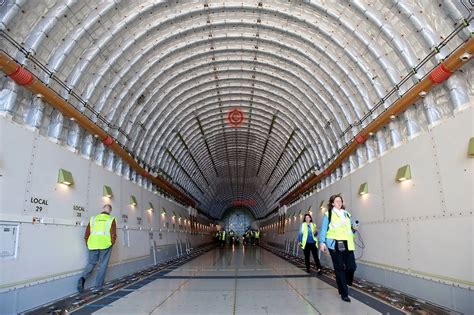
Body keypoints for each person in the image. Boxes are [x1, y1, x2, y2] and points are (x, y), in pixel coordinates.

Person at [319, 195, 358, 302]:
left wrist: (354, 229)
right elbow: (324, 229)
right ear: (332, 203)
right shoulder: (329, 214)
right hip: (334, 243)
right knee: (339, 268)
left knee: (352, 267)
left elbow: (350, 229)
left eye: (340, 201)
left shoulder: (347, 214)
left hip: (347, 243)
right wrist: (322, 242)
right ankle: (344, 293)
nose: (339, 203)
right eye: (337, 201)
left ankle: (343, 283)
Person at [77, 204, 116, 292]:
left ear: (102, 209)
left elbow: (87, 232)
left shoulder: (93, 218)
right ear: (110, 211)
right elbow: (113, 234)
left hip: (93, 244)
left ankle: (82, 278)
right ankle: (98, 286)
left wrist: (88, 243)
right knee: (102, 265)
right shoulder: (111, 219)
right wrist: (111, 243)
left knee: (91, 263)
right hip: (105, 245)